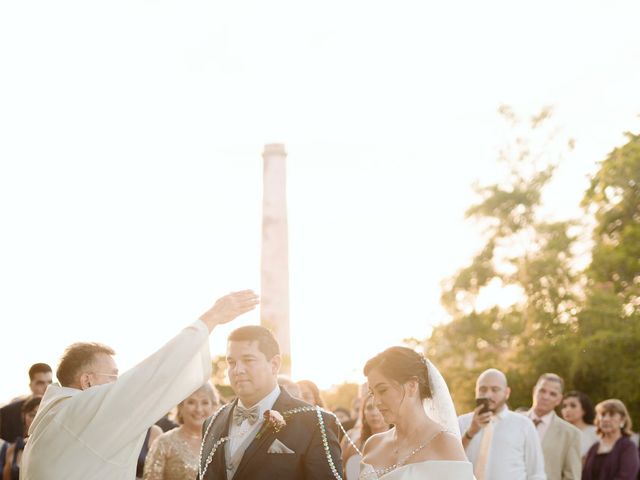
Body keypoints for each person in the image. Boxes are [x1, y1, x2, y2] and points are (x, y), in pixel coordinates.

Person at [21, 290, 259, 480]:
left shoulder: (56, 414)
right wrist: (212, 317)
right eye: (113, 376)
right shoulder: (78, 411)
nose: (118, 383)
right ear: (87, 381)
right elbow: (151, 375)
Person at [198, 325, 342, 480]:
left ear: (274, 364)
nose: (238, 370)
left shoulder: (315, 422)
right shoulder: (212, 423)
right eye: (231, 362)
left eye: (248, 360)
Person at [359, 346, 473, 480]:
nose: (376, 401)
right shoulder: (372, 445)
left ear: (412, 386)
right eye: (372, 393)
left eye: (383, 390)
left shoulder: (445, 444)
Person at [458, 369, 546, 480]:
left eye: (495, 390)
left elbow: (536, 473)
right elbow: (449, 462)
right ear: (476, 391)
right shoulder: (461, 422)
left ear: (507, 392)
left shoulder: (524, 425)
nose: (488, 395)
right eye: (482, 389)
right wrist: (470, 432)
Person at [143, 383, 220, 479]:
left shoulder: (222, 443)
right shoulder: (164, 443)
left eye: (204, 402)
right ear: (181, 407)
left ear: (214, 407)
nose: (198, 409)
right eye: (191, 402)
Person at [527, 373, 582, 480]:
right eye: (542, 391)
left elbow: (572, 477)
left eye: (552, 394)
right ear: (534, 391)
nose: (545, 397)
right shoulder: (513, 423)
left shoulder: (571, 434)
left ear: (559, 399)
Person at [582, 399, 640, 480]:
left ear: (622, 420)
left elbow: (626, 477)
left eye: (612, 415)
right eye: (602, 415)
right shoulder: (594, 448)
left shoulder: (628, 447)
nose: (605, 419)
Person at [0, 364, 52, 443]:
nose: (47, 387)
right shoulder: (7, 412)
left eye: (49, 382)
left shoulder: (59, 409)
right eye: (40, 383)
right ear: (30, 386)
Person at [342, 395, 389, 479]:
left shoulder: (402, 443)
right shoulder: (354, 445)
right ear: (363, 412)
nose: (374, 413)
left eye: (379, 407)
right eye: (369, 408)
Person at [2, 395, 42, 480]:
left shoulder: (53, 444)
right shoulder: (13, 448)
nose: (35, 420)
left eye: (40, 415)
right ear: (24, 416)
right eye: (32, 415)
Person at [561, 391, 599, 460]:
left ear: (584, 410)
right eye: (564, 406)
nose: (567, 410)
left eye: (573, 406)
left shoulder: (595, 432)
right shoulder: (558, 433)